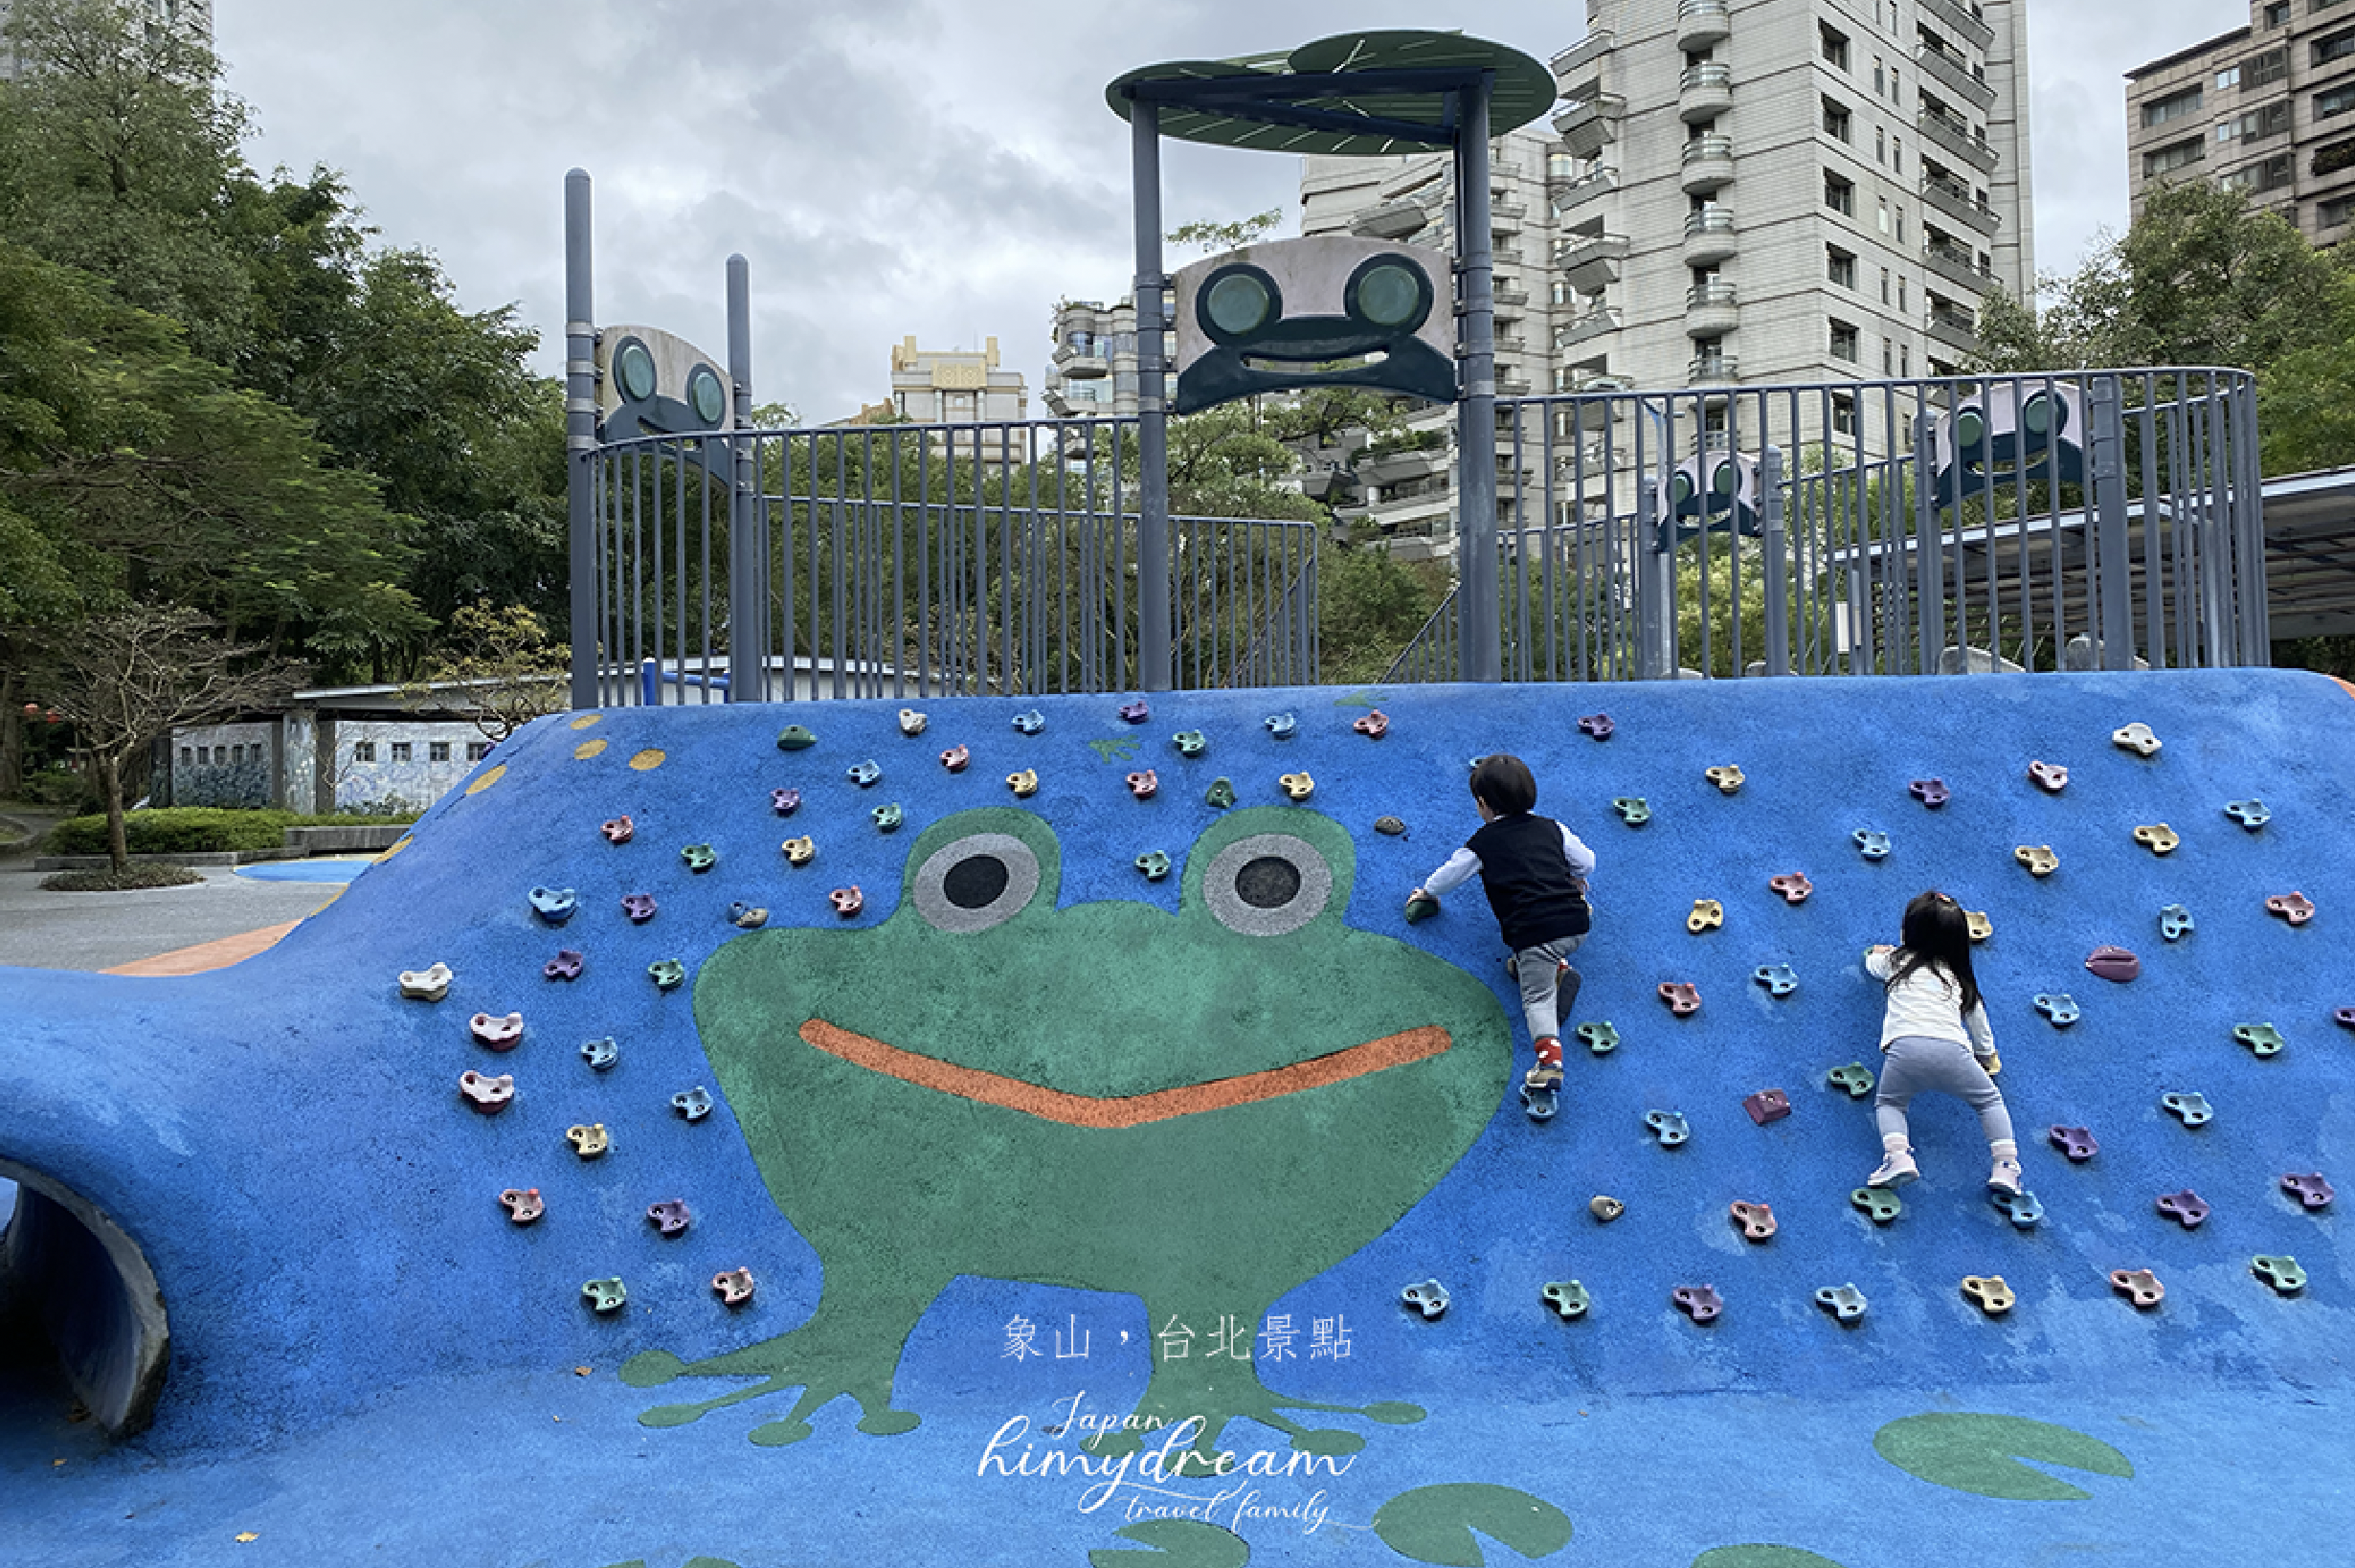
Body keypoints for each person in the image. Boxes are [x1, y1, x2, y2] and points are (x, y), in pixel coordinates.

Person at [1411, 754, 1596, 1092]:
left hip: (1535, 935)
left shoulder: (1483, 843)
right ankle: (1557, 966)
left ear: (1482, 804)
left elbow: (1449, 875)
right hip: (1577, 922)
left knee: (1537, 999)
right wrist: (1575, 879)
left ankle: (1549, 1063)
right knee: (1548, 942)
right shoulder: (1552, 828)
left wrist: (1427, 891)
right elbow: (1587, 861)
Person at [1862, 890, 2020, 1193]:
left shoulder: (1897, 961)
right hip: (1953, 1052)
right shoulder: (1959, 978)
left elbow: (1872, 964)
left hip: (1904, 1049)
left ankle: (1898, 1157)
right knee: (1988, 1101)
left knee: (1890, 1103)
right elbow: (1978, 1023)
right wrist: (1986, 1056)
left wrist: (1877, 953)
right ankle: (2005, 1166)